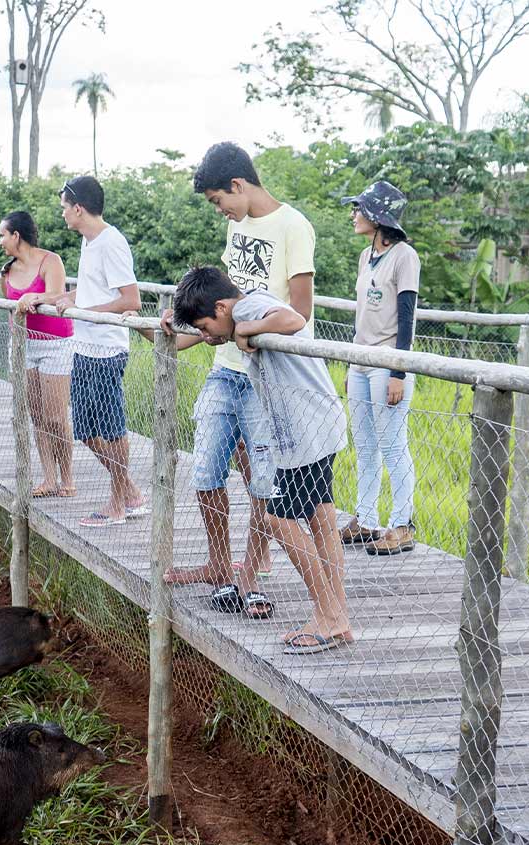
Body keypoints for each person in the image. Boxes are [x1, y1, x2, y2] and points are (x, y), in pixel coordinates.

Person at [161, 142, 317, 618]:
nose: (220, 211)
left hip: (264, 375)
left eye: (218, 201)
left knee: (261, 480)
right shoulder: (237, 229)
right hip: (224, 370)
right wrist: (185, 326)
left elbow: (302, 312)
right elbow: (224, 306)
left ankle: (249, 573)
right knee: (206, 469)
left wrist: (249, 329)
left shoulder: (294, 226)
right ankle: (218, 563)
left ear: (237, 185)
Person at [173, 266, 352, 654]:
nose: (204, 336)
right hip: (317, 422)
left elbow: (294, 318)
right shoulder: (247, 306)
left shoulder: (248, 308)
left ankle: (329, 615)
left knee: (277, 517)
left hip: (304, 429)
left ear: (222, 307)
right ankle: (337, 614)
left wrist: (245, 331)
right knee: (320, 516)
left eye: (205, 326)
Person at [24, 175, 146, 528]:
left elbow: (130, 299)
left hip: (106, 350)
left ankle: (118, 501)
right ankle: (131, 492)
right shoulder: (89, 243)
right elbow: (95, 291)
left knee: (110, 428)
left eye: (64, 207)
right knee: (87, 431)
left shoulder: (111, 243)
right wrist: (68, 299)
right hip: (84, 347)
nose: (62, 214)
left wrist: (86, 310)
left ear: (79, 208)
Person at [340, 181, 421, 556]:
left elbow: (406, 319)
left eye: (360, 209)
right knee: (366, 444)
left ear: (377, 216)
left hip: (388, 361)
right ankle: (367, 519)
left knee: (392, 443)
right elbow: (362, 315)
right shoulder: (364, 255)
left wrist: (398, 372)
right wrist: (352, 362)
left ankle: (402, 523)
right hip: (361, 361)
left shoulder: (405, 256)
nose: (354, 214)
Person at [0, 211, 76, 498]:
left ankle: (67, 477)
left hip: (55, 343)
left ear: (16, 235)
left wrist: (35, 297)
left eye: (2, 235)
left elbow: (58, 295)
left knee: (56, 417)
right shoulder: (7, 271)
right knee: (38, 417)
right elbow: (9, 305)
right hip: (23, 346)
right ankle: (48, 478)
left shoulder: (50, 261)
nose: (0, 241)